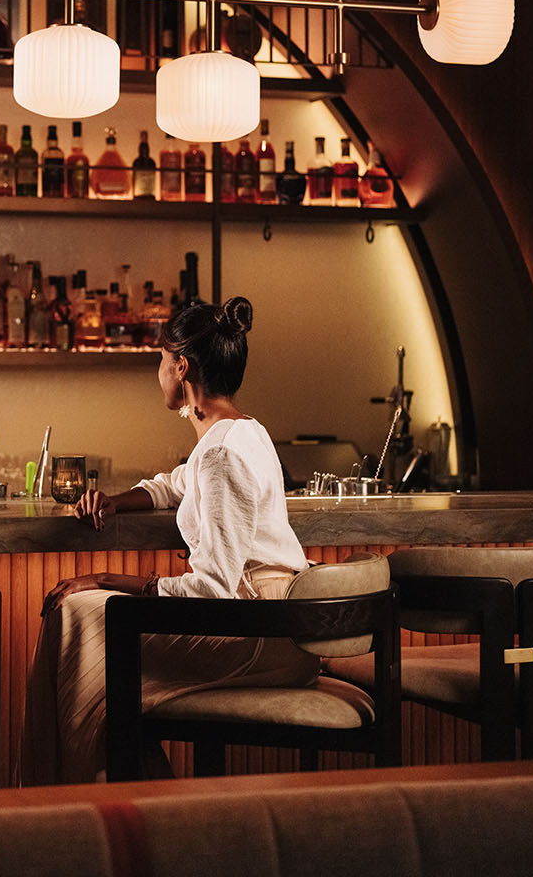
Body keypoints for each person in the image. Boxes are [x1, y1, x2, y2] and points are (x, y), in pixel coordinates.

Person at [19, 295, 318, 785]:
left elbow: (213, 591)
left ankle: (78, 794)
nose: (157, 371)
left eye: (160, 359)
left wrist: (103, 578)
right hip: (272, 621)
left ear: (181, 367)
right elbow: (175, 483)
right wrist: (117, 499)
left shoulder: (222, 455)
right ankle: (126, 781)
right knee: (84, 616)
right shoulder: (243, 433)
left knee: (78, 613)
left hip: (258, 633)